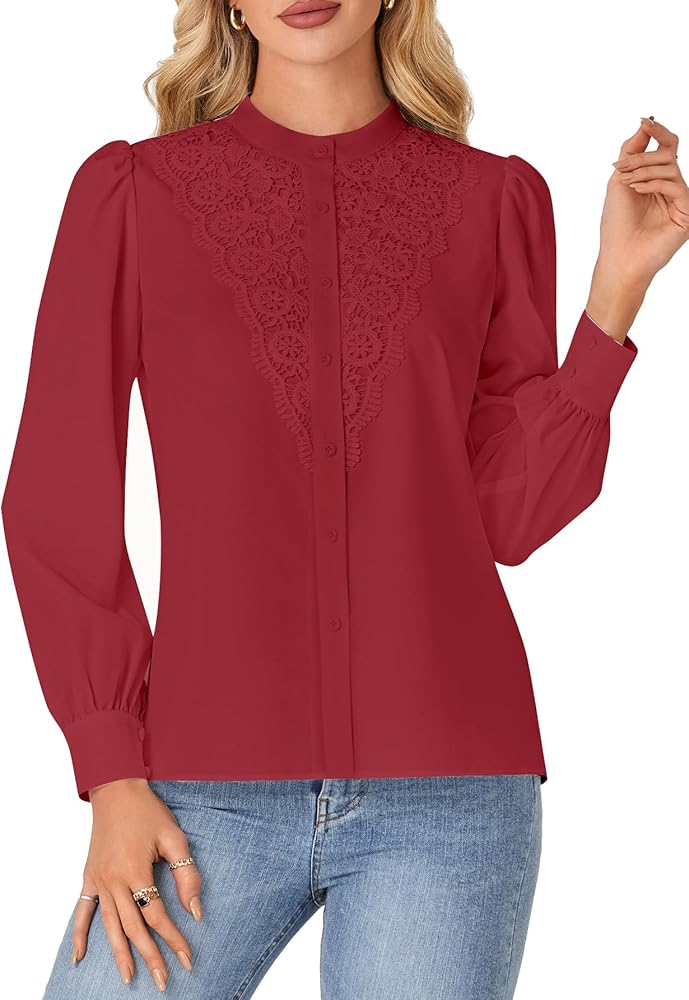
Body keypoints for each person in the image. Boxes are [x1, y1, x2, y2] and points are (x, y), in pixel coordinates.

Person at [2, 1, 687, 997]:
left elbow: (506, 517)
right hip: (196, 790)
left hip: (449, 788)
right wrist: (110, 768)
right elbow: (57, 494)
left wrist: (613, 296)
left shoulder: (492, 199)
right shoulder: (134, 196)